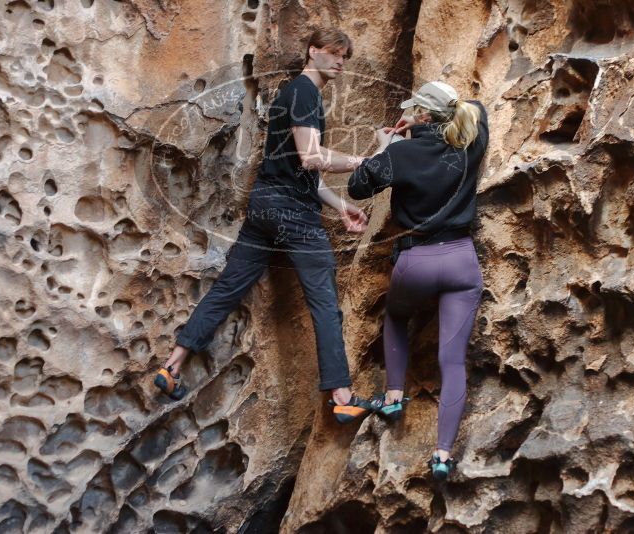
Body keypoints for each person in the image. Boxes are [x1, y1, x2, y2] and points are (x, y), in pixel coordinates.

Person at [155, 28, 375, 423]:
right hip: (292, 213)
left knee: (228, 287)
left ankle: (171, 366)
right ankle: (342, 395)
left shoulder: (290, 94)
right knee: (325, 302)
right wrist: (363, 162)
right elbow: (311, 158)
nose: (341, 61)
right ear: (313, 52)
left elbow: (303, 171)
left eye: (346, 56)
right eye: (334, 53)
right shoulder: (306, 92)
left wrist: (342, 206)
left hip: (266, 205)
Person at [347, 81, 488, 480]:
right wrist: (433, 115)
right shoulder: (470, 142)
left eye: (413, 109)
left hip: (417, 260)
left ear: (424, 114)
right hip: (462, 260)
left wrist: (385, 146)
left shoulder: (401, 152)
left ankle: (394, 397)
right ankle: (442, 455)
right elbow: (475, 108)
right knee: (453, 360)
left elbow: (358, 187)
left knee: (395, 316)